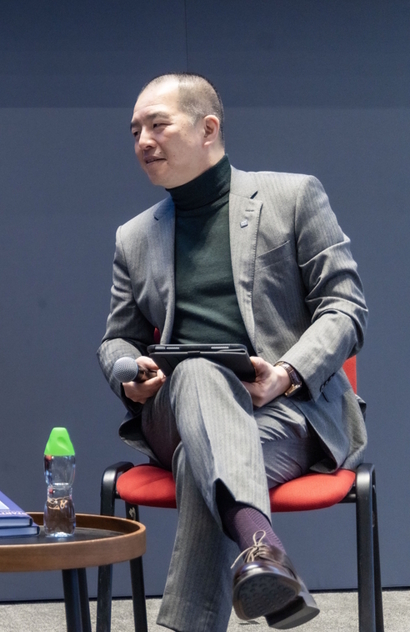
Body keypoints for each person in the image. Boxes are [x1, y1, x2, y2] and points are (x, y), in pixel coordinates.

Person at [97, 73, 367, 631]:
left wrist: (285, 374)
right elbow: (117, 338)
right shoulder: (134, 237)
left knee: (204, 467)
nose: (142, 140)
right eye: (134, 131)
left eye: (157, 124)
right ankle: (261, 544)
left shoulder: (293, 197)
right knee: (196, 370)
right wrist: (128, 371)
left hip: (286, 415)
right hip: (174, 412)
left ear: (207, 128)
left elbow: (345, 307)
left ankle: (255, 565)